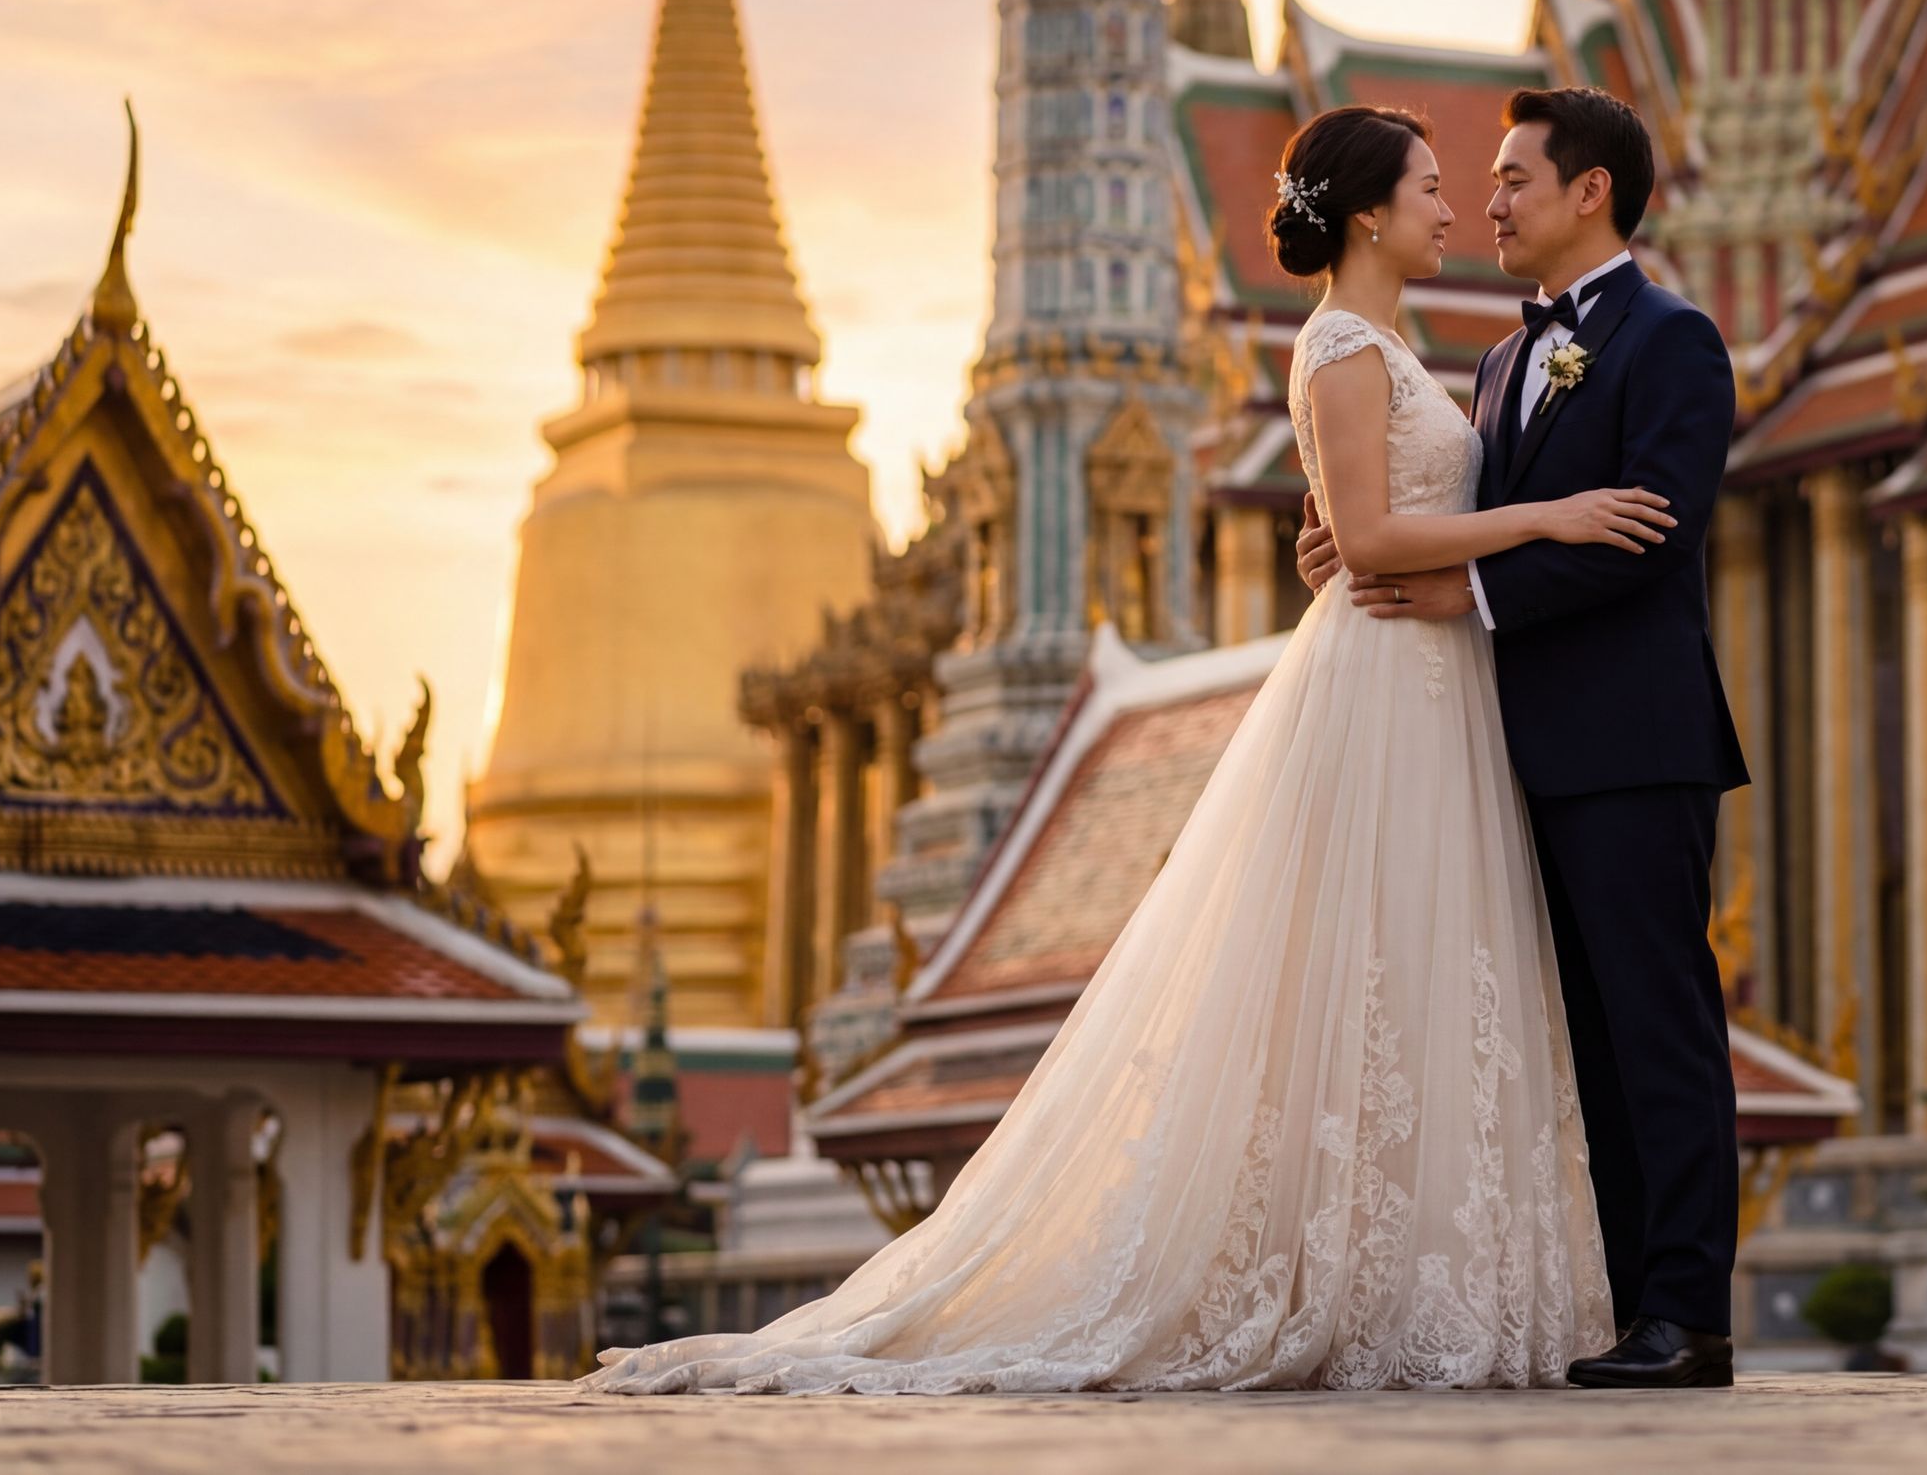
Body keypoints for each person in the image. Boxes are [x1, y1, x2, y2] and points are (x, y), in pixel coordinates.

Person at [583, 103, 1663, 1395]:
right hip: (1389, 675)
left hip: (1439, 681)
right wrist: (1552, 514)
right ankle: (1353, 1279)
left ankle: (1421, 1270)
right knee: (1370, 975)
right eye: (1435, 185)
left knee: (1430, 974)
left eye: (1472, 184)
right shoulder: (1336, 344)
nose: (1458, 205)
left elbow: (1349, 525)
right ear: (1370, 212)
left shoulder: (1409, 347)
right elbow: (1368, 539)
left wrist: (1365, 533)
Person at [1298, 85, 1747, 1390]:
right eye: (1471, 184)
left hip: (1635, 736)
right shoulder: (1500, 361)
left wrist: (1472, 587)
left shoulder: (1676, 343)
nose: (1486, 202)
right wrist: (1341, 531)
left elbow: (1645, 529)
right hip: (1510, 749)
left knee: (1661, 1026)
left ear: (1589, 190)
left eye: (1510, 180)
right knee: (1582, 1043)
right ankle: (1621, 1303)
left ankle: (1688, 1313)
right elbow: (1437, 503)